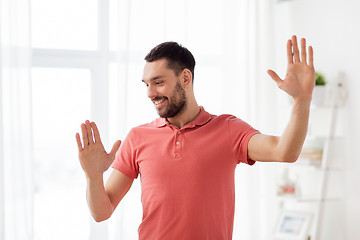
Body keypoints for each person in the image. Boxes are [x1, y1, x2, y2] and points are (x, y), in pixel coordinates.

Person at [75, 35, 315, 240]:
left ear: (185, 78)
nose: (150, 93)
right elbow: (101, 213)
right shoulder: (138, 137)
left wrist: (301, 101)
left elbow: (285, 151)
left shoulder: (228, 129)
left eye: (158, 83)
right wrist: (93, 176)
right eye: (146, 84)